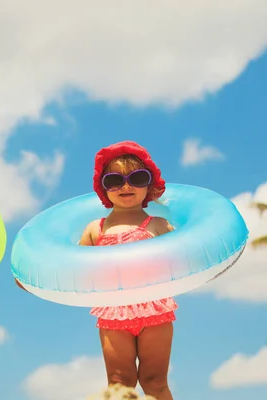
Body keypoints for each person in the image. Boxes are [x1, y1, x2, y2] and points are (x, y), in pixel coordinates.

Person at [79, 141, 176, 400]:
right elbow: (72, 269)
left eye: (137, 177)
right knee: (120, 383)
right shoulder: (94, 229)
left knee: (154, 382)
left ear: (149, 184)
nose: (126, 186)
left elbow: (185, 257)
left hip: (153, 308)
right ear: (104, 188)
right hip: (113, 312)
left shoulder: (158, 224)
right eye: (114, 180)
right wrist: (35, 279)